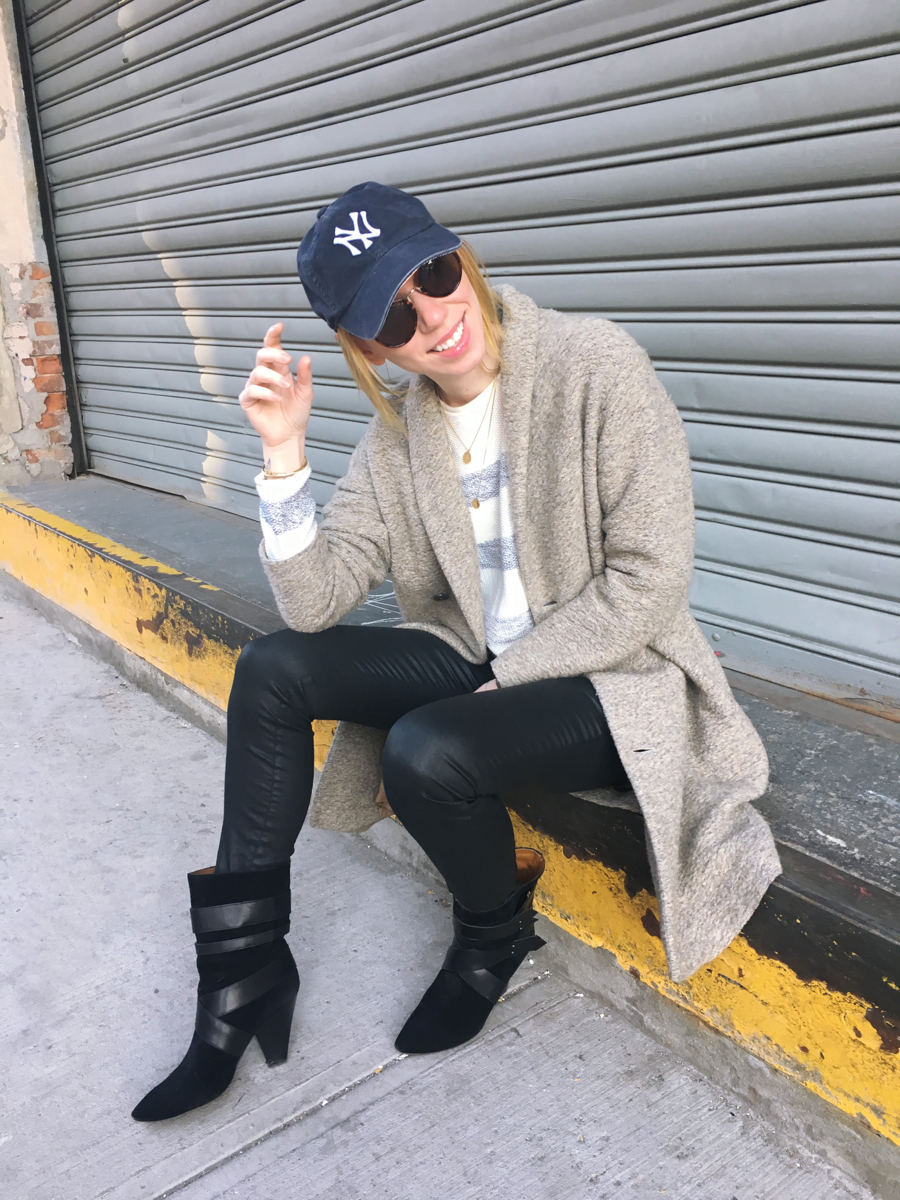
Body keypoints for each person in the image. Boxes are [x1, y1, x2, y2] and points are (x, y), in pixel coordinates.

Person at [132, 182, 779, 1122]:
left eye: (433, 274)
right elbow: (314, 603)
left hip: (611, 674)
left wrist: (506, 678)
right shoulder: (400, 431)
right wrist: (282, 457)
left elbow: (649, 583)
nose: (435, 317)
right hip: (473, 651)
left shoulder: (596, 365)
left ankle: (491, 939)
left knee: (425, 750)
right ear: (369, 348)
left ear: (460, 257)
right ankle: (243, 973)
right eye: (395, 315)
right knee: (272, 668)